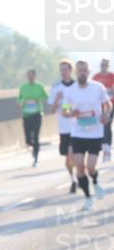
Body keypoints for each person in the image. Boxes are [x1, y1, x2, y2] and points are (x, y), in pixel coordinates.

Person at [61, 60, 110, 211]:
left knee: (90, 168)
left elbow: (108, 104)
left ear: (89, 72)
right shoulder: (70, 91)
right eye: (80, 70)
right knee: (80, 168)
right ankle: (88, 198)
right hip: (78, 133)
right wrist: (71, 113)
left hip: (95, 133)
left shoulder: (98, 87)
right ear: (76, 72)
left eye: (85, 70)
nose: (82, 73)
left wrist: (106, 115)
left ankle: (95, 181)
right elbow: (65, 110)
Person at [49, 60, 79, 192]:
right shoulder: (56, 88)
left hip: (77, 127)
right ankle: (73, 179)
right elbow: (51, 110)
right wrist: (57, 99)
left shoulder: (78, 86)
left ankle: (79, 176)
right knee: (68, 159)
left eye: (65, 69)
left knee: (73, 155)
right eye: (61, 69)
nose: (63, 71)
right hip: (63, 128)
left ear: (70, 70)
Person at [17, 68, 48, 167]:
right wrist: (23, 102)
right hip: (26, 115)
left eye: (31, 75)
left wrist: (37, 99)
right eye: (28, 75)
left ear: (34, 76)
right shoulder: (23, 87)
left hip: (37, 114)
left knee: (36, 136)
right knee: (28, 139)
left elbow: (46, 97)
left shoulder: (39, 86)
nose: (30, 77)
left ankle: (36, 157)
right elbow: (19, 99)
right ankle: (32, 146)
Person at [93, 58, 114, 163]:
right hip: (98, 106)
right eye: (102, 65)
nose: (103, 66)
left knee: (107, 126)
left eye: (105, 65)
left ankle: (107, 148)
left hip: (110, 105)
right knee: (101, 127)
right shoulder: (96, 77)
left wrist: (111, 91)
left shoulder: (112, 76)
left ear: (108, 66)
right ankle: (104, 147)